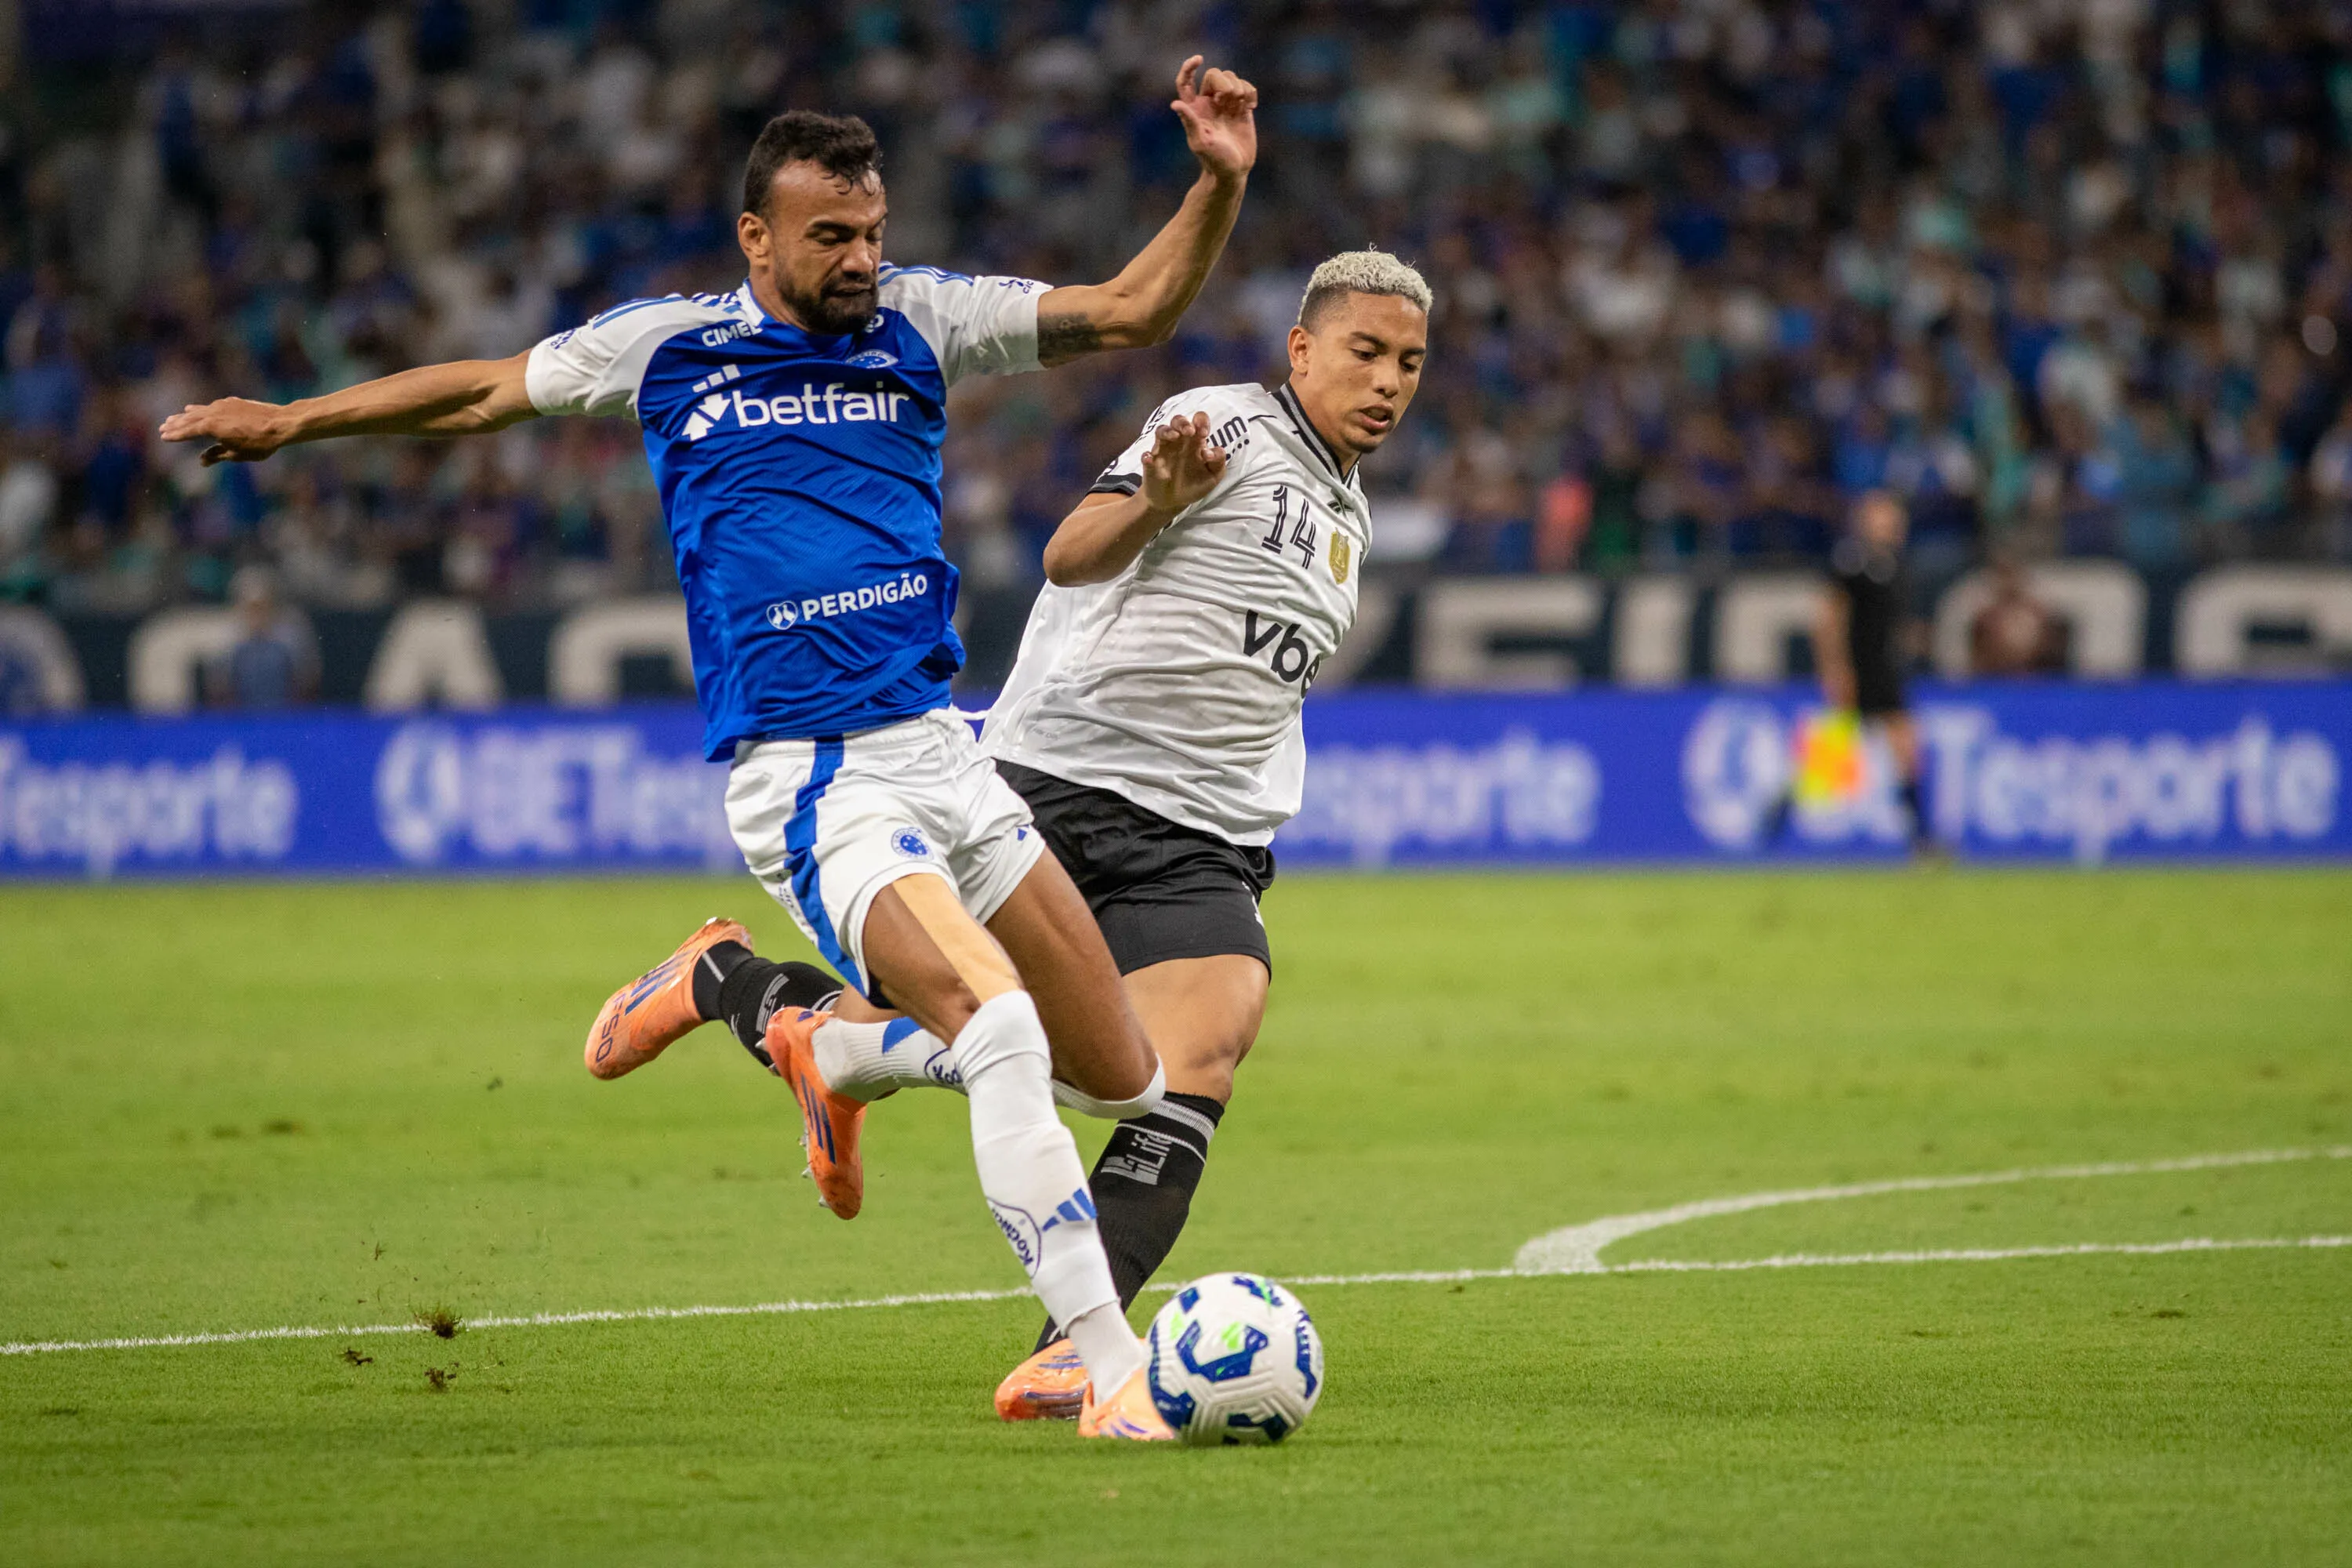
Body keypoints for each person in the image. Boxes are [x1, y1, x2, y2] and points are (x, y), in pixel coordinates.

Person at [159, 58, 1261, 1443]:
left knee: (1121, 1079)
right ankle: (1106, 1374)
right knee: (999, 1032)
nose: (863, 260)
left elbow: (1128, 309)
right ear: (758, 237)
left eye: (872, 233)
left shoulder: (922, 321)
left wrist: (1218, 178)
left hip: (943, 750)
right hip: (811, 774)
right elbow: (484, 393)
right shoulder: (669, 347)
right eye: (832, 240)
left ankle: (781, 1018)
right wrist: (293, 423)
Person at [771, 251, 1432, 1419]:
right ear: (1302, 350)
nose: (1388, 381)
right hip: (1063, 792)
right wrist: (1160, 502)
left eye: (1411, 363)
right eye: (1366, 352)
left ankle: (1073, 1348)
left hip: (1205, 840)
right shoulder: (1215, 427)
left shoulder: (1346, 506)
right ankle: (751, 998)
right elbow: (1069, 555)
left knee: (1197, 1059)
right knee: (1004, 1037)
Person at [1795, 488, 1936, 852]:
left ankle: (1921, 838)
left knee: (1904, 748)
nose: (1891, 523)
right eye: (1882, 516)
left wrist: (1911, 640)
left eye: (1893, 516)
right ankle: (1778, 813)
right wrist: (1835, 670)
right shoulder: (1851, 564)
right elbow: (1830, 620)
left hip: (1886, 669)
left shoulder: (1897, 566)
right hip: (1858, 669)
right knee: (1830, 759)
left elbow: (1889, 622)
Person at [1967, 554, 2066, 676]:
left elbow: (2051, 650)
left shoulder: (2038, 613)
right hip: (1994, 677)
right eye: (2003, 579)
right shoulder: (1984, 618)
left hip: (2035, 676)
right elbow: (1976, 657)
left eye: (2012, 578)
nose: (2008, 584)